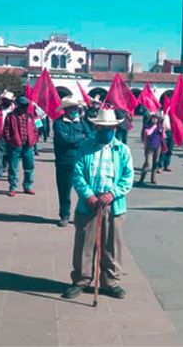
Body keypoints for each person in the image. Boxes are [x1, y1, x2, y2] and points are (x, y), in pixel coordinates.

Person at [62, 108, 134, 300]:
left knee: (111, 245)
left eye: (110, 128)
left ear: (115, 128)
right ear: (96, 126)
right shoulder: (85, 147)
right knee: (84, 245)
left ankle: (111, 282)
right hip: (89, 203)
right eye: (102, 127)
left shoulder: (123, 150)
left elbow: (127, 178)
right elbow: (77, 174)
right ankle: (81, 280)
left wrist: (112, 194)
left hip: (113, 204)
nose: (106, 131)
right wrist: (88, 196)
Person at [53, 96, 92, 227]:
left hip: (82, 161)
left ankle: (82, 213)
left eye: (76, 108)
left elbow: (91, 136)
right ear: (66, 109)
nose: (75, 110)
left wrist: (77, 138)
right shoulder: (58, 123)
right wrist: (82, 137)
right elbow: (65, 140)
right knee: (64, 191)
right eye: (73, 108)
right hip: (64, 162)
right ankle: (64, 215)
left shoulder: (81, 122)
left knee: (84, 189)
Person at [3, 96, 38, 197]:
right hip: (15, 146)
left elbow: (34, 130)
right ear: (19, 105)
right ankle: (12, 187)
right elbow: (6, 130)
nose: (26, 107)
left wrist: (34, 139)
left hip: (28, 146)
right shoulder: (11, 116)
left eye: (27, 105)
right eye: (23, 105)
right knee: (13, 168)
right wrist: (10, 141)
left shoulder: (30, 116)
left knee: (29, 167)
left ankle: (27, 186)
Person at [138, 113, 164, 185]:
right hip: (149, 147)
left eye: (156, 118)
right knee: (147, 163)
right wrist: (154, 127)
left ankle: (153, 178)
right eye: (153, 118)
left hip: (157, 147)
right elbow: (148, 133)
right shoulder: (147, 125)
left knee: (155, 163)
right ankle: (142, 178)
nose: (155, 120)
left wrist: (163, 128)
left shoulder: (160, 126)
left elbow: (163, 136)